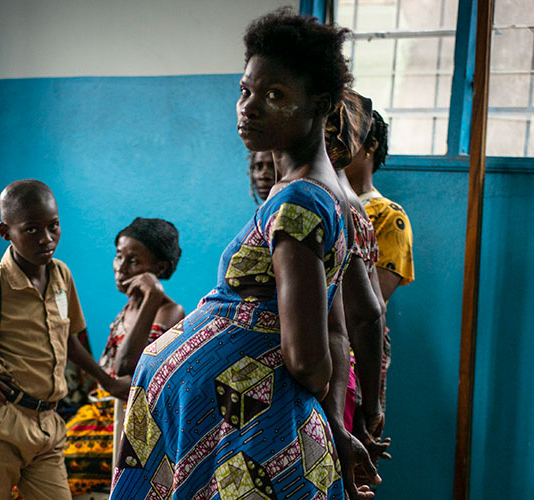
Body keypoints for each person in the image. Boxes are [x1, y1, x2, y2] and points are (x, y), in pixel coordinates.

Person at [110, 9, 379, 500]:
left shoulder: (298, 201)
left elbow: (308, 358)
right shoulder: (328, 197)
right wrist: (340, 426)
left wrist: (313, 404)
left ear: (319, 105)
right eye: (245, 91)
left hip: (251, 430)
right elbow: (337, 326)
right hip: (226, 422)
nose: (248, 107)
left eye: (274, 95)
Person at [0, 179, 129, 500]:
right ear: (6, 232)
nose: (46, 239)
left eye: (53, 226)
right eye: (31, 230)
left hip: (48, 427)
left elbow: (68, 339)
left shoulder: (61, 275)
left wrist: (107, 382)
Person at [64, 217, 184, 496]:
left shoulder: (169, 312)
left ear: (159, 269)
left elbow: (126, 367)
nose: (120, 266)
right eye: (119, 256)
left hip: (127, 427)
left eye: (133, 261)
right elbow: (112, 380)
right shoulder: (130, 306)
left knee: (52, 466)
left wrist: (153, 295)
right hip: (99, 412)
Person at [325, 93, 389, 464]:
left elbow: (363, 315)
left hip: (334, 376)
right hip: (342, 375)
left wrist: (369, 404)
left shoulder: (329, 204)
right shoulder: (349, 205)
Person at [344, 111, 414, 412]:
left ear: (369, 146)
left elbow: (366, 306)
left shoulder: (388, 216)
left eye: (345, 137)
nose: (332, 144)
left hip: (352, 350)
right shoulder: (320, 201)